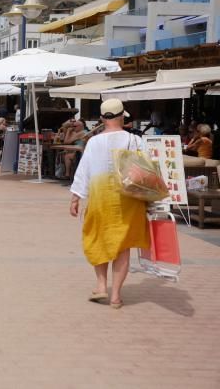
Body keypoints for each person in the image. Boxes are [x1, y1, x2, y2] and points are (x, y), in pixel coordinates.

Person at [69, 99, 149, 309]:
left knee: (98, 239)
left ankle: (102, 285)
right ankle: (116, 296)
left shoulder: (93, 142)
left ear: (103, 118)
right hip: (128, 200)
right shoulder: (135, 140)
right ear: (123, 116)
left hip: (99, 198)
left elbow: (83, 170)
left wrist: (76, 197)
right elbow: (147, 171)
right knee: (122, 247)